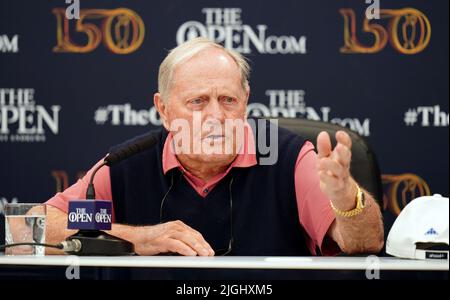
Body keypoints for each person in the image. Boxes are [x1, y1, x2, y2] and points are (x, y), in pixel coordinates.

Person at [45, 37, 384, 256]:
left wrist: (345, 200)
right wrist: (133, 238)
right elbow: (36, 226)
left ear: (246, 103)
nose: (216, 116)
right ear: (163, 109)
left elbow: (365, 242)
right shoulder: (125, 168)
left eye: (227, 100)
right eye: (197, 101)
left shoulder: (289, 159)